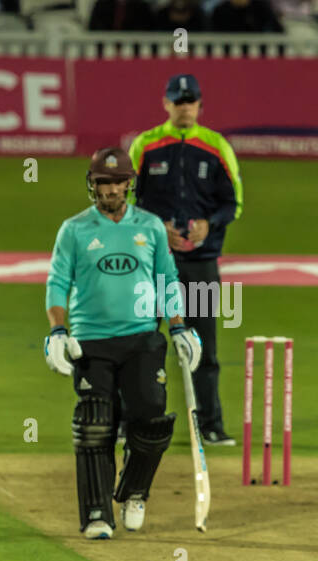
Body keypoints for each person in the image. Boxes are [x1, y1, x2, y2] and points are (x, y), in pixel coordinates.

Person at [44, 148, 202, 540]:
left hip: (141, 336)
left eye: (116, 182)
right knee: (95, 425)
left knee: (150, 415)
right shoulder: (74, 229)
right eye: (102, 182)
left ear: (129, 184)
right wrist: (58, 332)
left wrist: (180, 327)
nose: (110, 189)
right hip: (91, 340)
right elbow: (58, 283)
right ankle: (97, 514)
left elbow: (167, 278)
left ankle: (134, 491)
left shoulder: (148, 227)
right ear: (92, 184)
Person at [129, 74, 243, 446]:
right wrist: (156, 227)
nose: (183, 107)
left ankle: (209, 425)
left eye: (189, 101)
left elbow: (233, 202)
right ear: (166, 104)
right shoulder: (146, 145)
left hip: (200, 263)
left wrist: (209, 225)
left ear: (199, 105)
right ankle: (133, 424)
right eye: (177, 101)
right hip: (154, 262)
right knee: (141, 344)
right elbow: (127, 199)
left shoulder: (215, 146)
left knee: (203, 347)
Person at [210, 0, 282, 32]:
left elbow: (278, 29)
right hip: (225, 57)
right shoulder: (220, 10)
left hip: (258, 56)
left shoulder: (261, 7)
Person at [88, 0, 154, 30]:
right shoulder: (101, 6)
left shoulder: (142, 8)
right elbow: (92, 27)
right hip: (103, 52)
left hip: (135, 53)